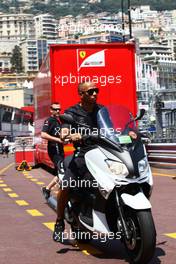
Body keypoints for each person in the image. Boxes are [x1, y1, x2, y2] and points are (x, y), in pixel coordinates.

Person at [53, 81, 103, 242]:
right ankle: (59, 221)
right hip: (84, 153)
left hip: (104, 152)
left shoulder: (102, 111)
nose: (94, 94)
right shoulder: (72, 112)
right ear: (81, 94)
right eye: (90, 92)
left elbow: (114, 126)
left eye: (96, 90)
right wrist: (67, 134)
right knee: (66, 184)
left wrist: (129, 132)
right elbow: (65, 128)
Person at [41, 102, 64, 200]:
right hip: (54, 149)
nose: (58, 111)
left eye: (59, 109)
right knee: (62, 171)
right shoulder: (49, 120)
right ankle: (61, 194)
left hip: (60, 148)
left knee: (61, 172)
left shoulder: (58, 121)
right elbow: (43, 134)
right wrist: (58, 140)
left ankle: (47, 188)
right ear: (51, 110)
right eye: (55, 109)